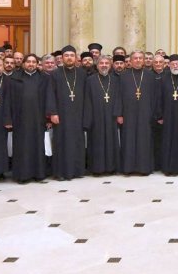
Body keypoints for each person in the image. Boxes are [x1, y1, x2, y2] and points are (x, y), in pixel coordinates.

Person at [117, 51, 161, 176]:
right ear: (130, 61)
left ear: (144, 60)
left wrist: (155, 113)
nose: (138, 60)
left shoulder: (150, 75)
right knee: (128, 140)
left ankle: (144, 168)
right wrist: (119, 114)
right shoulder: (123, 76)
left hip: (145, 114)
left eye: (140, 58)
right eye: (135, 58)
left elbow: (155, 96)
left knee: (144, 140)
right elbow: (118, 96)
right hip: (128, 114)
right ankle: (128, 168)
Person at [10, 54, 52, 183]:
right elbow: (8, 100)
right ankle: (22, 175)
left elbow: (49, 98)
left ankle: (39, 174)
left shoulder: (45, 78)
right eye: (28, 61)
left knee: (38, 146)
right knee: (22, 147)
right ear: (23, 64)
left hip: (39, 118)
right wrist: (8, 119)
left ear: (37, 64)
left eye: (34, 62)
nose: (31, 64)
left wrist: (49, 117)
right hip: (20, 118)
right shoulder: (14, 78)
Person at [48, 46, 87, 180]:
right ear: (62, 58)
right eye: (66, 55)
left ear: (76, 58)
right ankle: (61, 172)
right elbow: (50, 94)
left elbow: (87, 95)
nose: (69, 58)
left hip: (78, 114)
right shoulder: (55, 74)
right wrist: (53, 112)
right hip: (61, 114)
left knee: (77, 142)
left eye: (72, 55)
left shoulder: (82, 73)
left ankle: (77, 170)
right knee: (61, 143)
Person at [84, 55, 122, 175]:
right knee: (97, 141)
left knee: (111, 141)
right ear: (97, 66)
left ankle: (111, 167)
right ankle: (97, 168)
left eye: (106, 63)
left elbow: (119, 98)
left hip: (111, 116)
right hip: (96, 117)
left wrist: (118, 113)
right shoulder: (90, 80)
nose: (104, 65)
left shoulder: (115, 80)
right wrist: (88, 119)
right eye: (101, 63)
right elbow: (87, 100)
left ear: (110, 66)